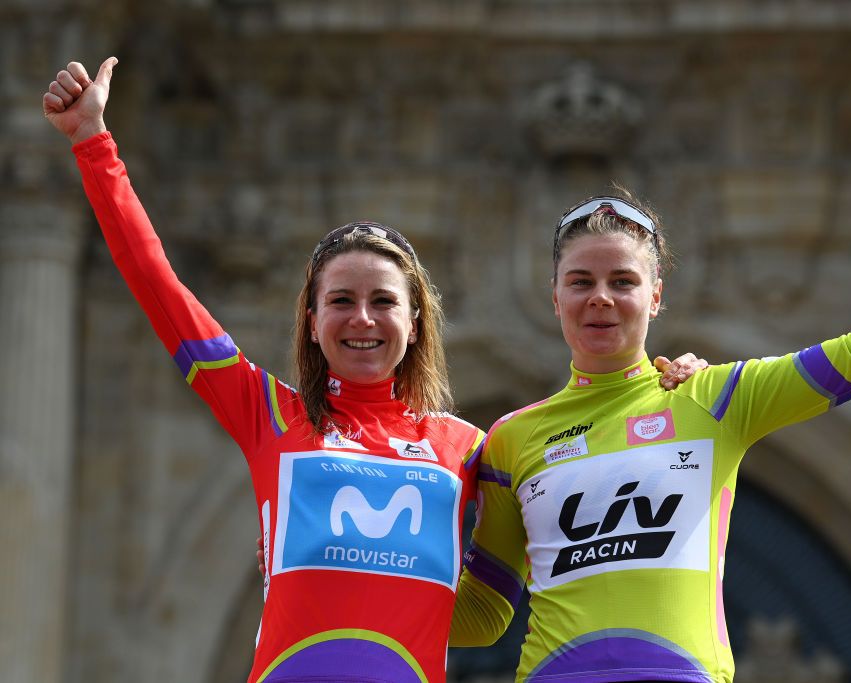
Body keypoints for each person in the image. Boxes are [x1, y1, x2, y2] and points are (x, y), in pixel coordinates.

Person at [42, 57, 705, 683]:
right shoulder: (268, 413)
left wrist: (663, 383)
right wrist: (93, 144)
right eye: (340, 301)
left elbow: (573, 513)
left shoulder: (468, 447)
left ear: (415, 321)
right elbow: (159, 287)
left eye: (384, 301)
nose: (362, 318)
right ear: (311, 319)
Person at [446, 84, 851, 683]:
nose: (601, 298)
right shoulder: (509, 439)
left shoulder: (715, 397)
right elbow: (483, 615)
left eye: (623, 281)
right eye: (581, 281)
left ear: (655, 297)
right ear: (555, 297)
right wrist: (348, 579)